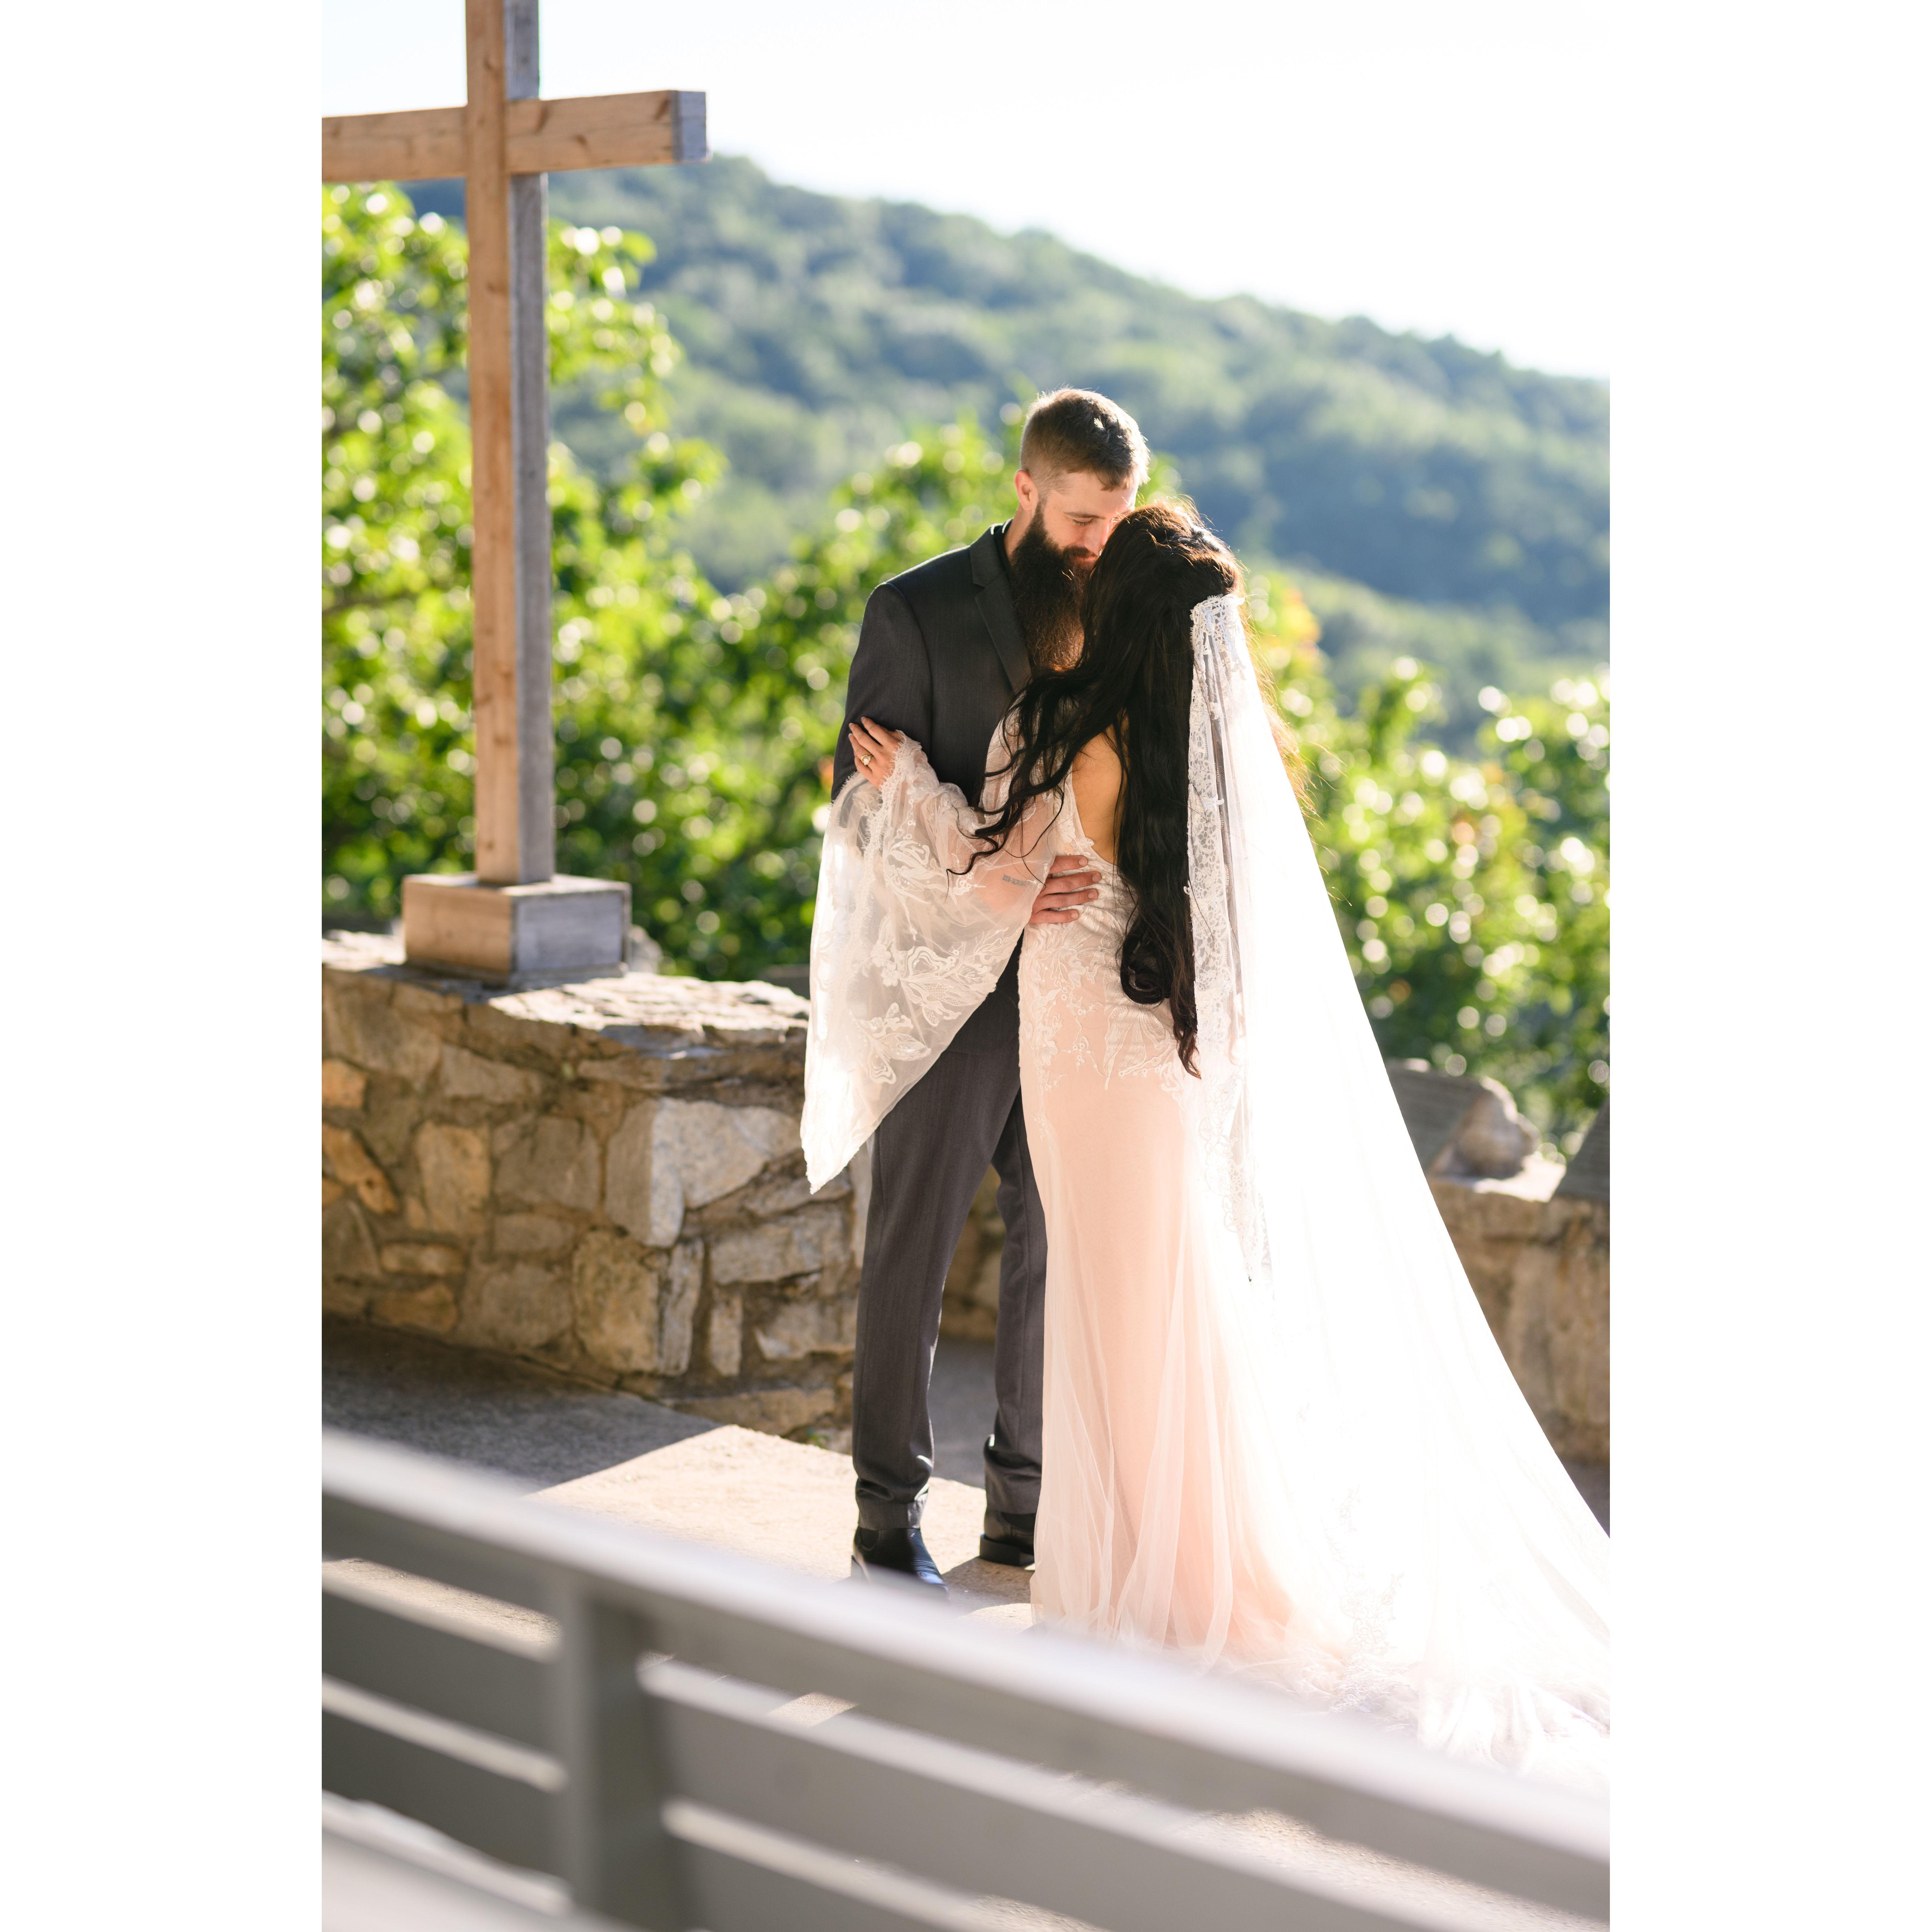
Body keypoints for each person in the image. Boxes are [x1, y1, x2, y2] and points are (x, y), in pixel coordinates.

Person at [804, 504, 1610, 1788]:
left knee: (1105, 1303)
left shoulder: (1050, 731)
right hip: (1158, 1063)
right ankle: (1207, 1563)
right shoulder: (1210, 762)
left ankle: (1137, 1577)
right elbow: (1225, 941)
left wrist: (904, 781)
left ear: (1113, 611)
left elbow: (975, 867)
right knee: (1171, 1294)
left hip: (1073, 1058)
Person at [827, 390, 1147, 1589]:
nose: (1098, 543)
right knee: (911, 1245)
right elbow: (859, 816)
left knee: (1054, 1245)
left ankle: (1023, 1505)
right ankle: (885, 1513)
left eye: (1115, 519)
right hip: (941, 991)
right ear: (1024, 489)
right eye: (1080, 518)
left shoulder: (1119, 603)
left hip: (1076, 986)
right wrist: (998, 877)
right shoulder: (910, 611)